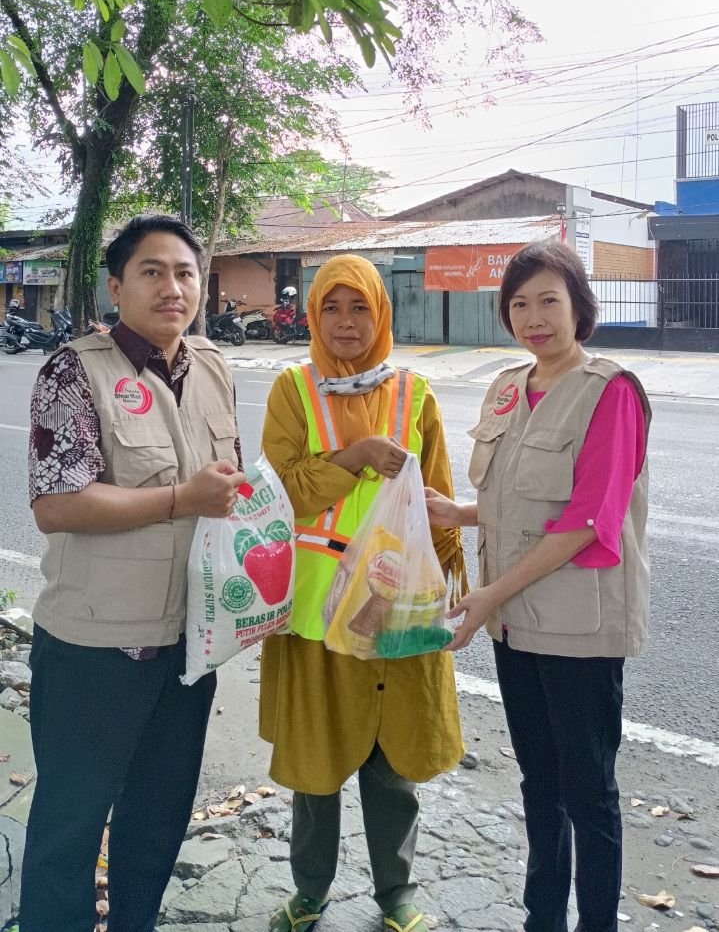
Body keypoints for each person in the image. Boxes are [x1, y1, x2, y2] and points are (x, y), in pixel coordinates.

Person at [13, 215, 246, 932]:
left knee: (157, 816)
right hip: (96, 645)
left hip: (189, 643)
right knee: (70, 824)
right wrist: (181, 499)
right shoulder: (73, 370)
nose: (172, 287)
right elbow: (57, 502)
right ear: (117, 287)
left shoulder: (211, 364)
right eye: (152, 271)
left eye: (184, 272)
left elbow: (228, 489)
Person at [426, 241, 651, 932]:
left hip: (577, 625)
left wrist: (487, 595)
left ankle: (596, 925)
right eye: (518, 304)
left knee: (588, 791)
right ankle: (541, 917)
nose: (533, 317)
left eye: (547, 300)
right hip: (513, 625)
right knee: (538, 782)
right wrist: (455, 511)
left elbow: (588, 519)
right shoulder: (505, 387)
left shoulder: (609, 390)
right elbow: (512, 502)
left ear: (579, 306)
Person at [259, 254, 467, 932]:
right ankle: (309, 894)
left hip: (394, 610)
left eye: (359, 308)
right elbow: (281, 492)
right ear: (313, 316)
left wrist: (451, 583)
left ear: (381, 314)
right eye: (331, 308)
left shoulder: (415, 392)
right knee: (314, 771)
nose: (345, 323)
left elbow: (438, 497)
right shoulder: (293, 389)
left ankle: (396, 897)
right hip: (317, 612)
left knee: (393, 765)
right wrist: (352, 458)